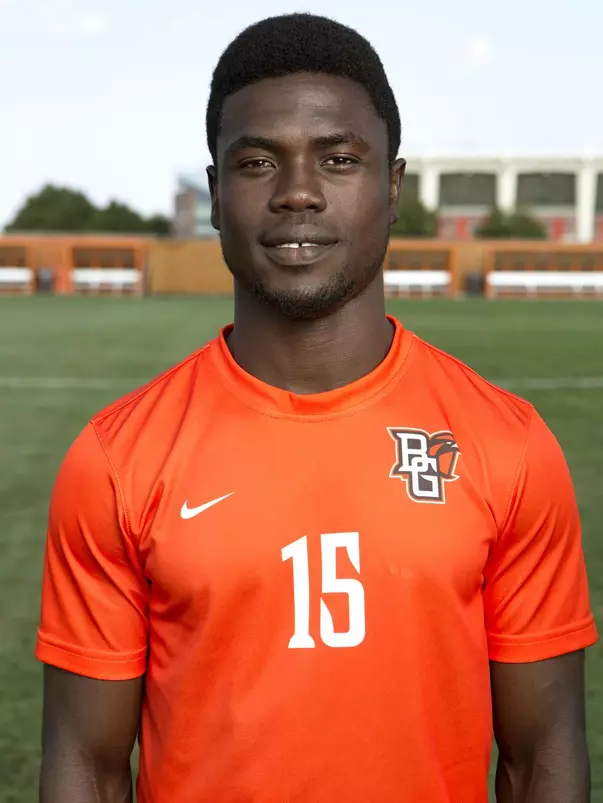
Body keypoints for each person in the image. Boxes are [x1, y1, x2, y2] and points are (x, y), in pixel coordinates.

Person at [36, 13, 598, 803]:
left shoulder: (507, 445)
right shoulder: (116, 460)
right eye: (257, 162)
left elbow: (541, 757)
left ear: (392, 187)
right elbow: (86, 766)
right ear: (215, 193)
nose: (296, 192)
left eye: (337, 159)